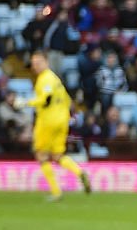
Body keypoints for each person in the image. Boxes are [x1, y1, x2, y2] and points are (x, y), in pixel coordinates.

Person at [18, 51, 90, 201]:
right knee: (57, 156)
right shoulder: (56, 79)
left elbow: (46, 100)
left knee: (41, 155)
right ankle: (79, 172)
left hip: (47, 121)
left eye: (38, 62)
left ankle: (56, 192)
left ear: (46, 62)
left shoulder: (44, 79)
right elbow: (68, 101)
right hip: (62, 121)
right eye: (34, 63)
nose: (35, 66)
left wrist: (25, 102)